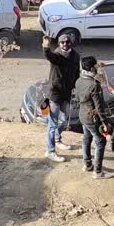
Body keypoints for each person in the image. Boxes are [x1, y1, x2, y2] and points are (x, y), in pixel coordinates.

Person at [75, 56, 114, 179]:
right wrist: (104, 122)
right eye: (95, 66)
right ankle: (97, 171)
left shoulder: (79, 80)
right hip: (92, 118)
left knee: (86, 138)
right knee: (100, 141)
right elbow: (99, 106)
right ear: (91, 68)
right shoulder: (94, 85)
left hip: (83, 115)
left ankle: (87, 164)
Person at [42, 34, 80, 162]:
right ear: (59, 43)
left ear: (71, 43)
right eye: (62, 42)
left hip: (67, 93)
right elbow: (49, 56)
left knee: (63, 120)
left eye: (67, 42)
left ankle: (57, 140)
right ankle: (50, 151)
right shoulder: (57, 55)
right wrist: (46, 47)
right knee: (52, 124)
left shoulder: (75, 56)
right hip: (55, 93)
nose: (65, 44)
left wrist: (76, 87)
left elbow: (77, 73)